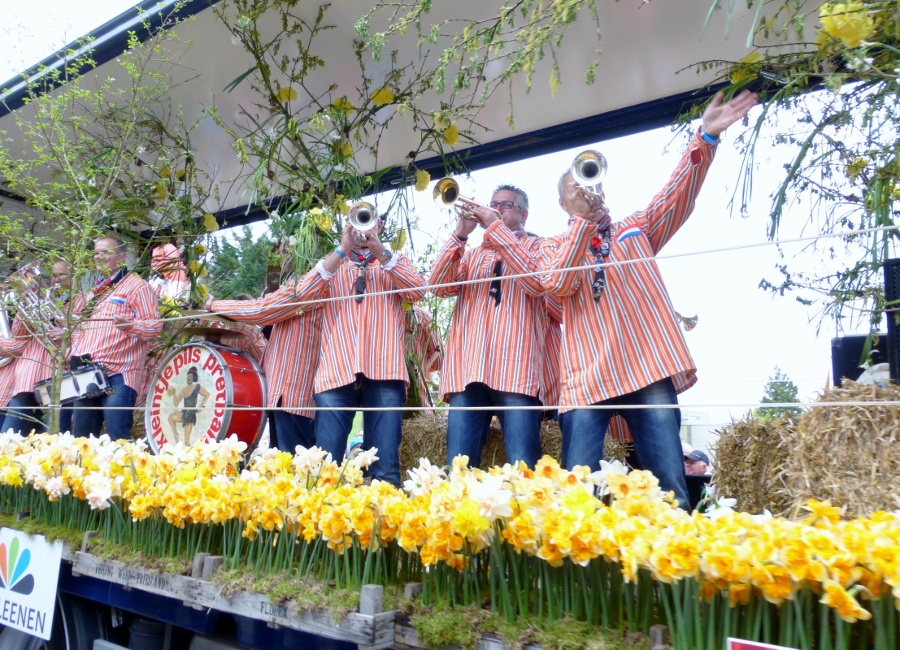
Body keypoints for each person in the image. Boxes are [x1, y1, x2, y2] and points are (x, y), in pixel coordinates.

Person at [539, 89, 758, 508]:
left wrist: (705, 138)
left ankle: (673, 550)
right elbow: (557, 285)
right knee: (579, 494)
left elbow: (677, 196)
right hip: (587, 380)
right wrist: (583, 226)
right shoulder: (552, 246)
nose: (584, 190)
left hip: (647, 369)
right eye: (574, 187)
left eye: (588, 181)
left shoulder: (635, 228)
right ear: (562, 202)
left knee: (670, 487)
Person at [290, 209, 427, 486]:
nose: (360, 226)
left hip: (385, 368)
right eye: (354, 219)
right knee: (325, 472)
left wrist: (379, 250)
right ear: (346, 225)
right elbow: (301, 295)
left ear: (380, 225)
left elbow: (418, 291)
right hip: (335, 369)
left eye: (367, 219)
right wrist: (342, 249)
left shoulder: (395, 262)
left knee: (385, 471)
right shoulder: (332, 262)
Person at [430, 184, 549, 469]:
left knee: (524, 467)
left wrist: (495, 228)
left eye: (506, 205)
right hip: (467, 370)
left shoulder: (539, 247)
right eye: (494, 204)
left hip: (516, 369)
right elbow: (438, 286)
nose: (497, 208)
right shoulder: (472, 255)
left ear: (524, 214)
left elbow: (537, 282)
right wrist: (461, 234)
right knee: (458, 467)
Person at [206, 286, 323, 453]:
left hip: (292, 391)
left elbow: (263, 309)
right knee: (280, 457)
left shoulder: (308, 290)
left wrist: (215, 304)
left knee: (291, 458)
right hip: (281, 392)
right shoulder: (305, 291)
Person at [70, 236, 162, 440]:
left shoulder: (138, 287)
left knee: (117, 437)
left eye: (106, 252)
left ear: (121, 257)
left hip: (119, 374)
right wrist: (70, 344)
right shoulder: (93, 292)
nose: (99, 257)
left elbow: (155, 327)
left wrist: (130, 326)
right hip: (88, 372)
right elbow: (82, 330)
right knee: (81, 439)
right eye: (96, 253)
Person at [0, 260, 74, 434]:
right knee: (9, 438)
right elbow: (20, 341)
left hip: (60, 379)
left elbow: (84, 337)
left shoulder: (80, 303)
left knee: (52, 439)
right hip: (28, 379)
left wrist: (67, 331)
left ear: (73, 278)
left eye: (62, 275)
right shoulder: (37, 302)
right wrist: (27, 305)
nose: (56, 279)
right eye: (53, 275)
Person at [168, 366, 210, 446]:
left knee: (187, 441)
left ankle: (188, 451)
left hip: (191, 415)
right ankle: (176, 434)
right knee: (170, 418)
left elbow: (207, 394)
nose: (189, 378)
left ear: (194, 377)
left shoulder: (197, 387)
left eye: (191, 376)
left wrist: (200, 405)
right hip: (184, 412)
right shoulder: (184, 389)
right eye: (188, 376)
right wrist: (174, 394)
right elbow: (176, 403)